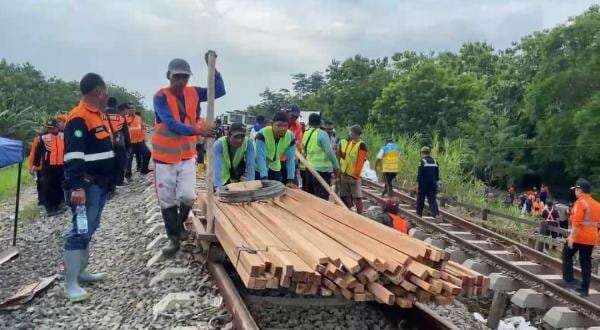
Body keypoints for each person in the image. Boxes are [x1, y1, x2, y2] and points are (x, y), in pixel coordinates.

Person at [153, 56, 224, 257]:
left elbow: (218, 90)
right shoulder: (160, 97)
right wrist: (199, 131)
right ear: (169, 76)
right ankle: (173, 239)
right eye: (177, 77)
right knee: (167, 201)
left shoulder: (193, 93)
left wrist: (213, 68)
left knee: (188, 195)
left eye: (184, 77)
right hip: (164, 158)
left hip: (186, 155)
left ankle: (178, 228)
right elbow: (171, 123)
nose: (181, 81)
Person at [62, 73, 115, 302]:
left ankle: (82, 272)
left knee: (90, 227)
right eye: (106, 91)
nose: (107, 96)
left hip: (98, 185)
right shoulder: (79, 118)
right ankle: (70, 283)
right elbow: (73, 156)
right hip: (85, 185)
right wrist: (77, 187)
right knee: (80, 229)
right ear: (98, 92)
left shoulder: (98, 116)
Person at [563, 179, 600, 297]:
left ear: (580, 190)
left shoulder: (580, 202)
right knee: (586, 262)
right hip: (591, 238)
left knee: (566, 254)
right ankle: (584, 290)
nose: (575, 192)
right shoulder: (597, 204)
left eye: (575, 190)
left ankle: (569, 281)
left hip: (579, 237)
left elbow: (576, 222)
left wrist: (571, 237)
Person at [300, 113, 339, 200]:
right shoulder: (322, 134)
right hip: (322, 171)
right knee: (322, 198)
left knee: (310, 197)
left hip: (309, 169)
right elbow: (330, 152)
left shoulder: (306, 133)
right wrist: (336, 167)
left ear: (309, 122)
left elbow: (303, 150)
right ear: (320, 123)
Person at [33, 119, 65, 215]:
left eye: (52, 128)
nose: (51, 130)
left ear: (57, 127)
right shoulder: (43, 138)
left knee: (59, 185)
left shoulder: (63, 136)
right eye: (49, 128)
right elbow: (38, 152)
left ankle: (58, 204)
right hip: (48, 167)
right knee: (48, 186)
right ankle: (50, 208)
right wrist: (36, 164)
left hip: (61, 165)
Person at [255, 111, 296, 185]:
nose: (282, 129)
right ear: (272, 124)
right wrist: (264, 177)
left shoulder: (290, 137)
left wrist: (290, 179)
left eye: (285, 125)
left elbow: (291, 159)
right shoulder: (262, 134)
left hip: (275, 165)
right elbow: (260, 157)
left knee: (278, 189)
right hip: (258, 167)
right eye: (279, 125)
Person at [213, 123, 255, 187]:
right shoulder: (219, 144)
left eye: (242, 136)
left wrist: (250, 184)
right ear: (229, 135)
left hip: (235, 175)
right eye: (236, 136)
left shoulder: (248, 143)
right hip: (222, 176)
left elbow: (251, 164)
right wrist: (217, 186)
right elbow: (216, 166)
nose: (239, 140)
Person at [339, 125, 367, 214]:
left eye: (350, 132)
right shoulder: (350, 142)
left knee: (357, 197)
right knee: (344, 194)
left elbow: (360, 162)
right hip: (345, 173)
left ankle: (360, 214)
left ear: (355, 133)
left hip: (354, 176)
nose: (349, 133)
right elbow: (345, 156)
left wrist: (356, 175)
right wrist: (339, 152)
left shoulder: (362, 145)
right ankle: (349, 211)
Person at [105, 102, 131, 187]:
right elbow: (126, 133)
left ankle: (109, 185)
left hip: (106, 143)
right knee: (120, 163)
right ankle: (119, 182)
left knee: (109, 164)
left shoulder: (101, 115)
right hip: (118, 143)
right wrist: (128, 146)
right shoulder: (120, 118)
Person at [126, 107, 151, 176]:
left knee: (147, 153)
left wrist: (143, 136)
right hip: (130, 142)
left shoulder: (138, 118)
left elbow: (142, 128)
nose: (132, 109)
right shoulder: (124, 118)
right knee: (129, 158)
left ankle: (144, 170)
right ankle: (128, 174)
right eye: (130, 108)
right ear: (127, 110)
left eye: (133, 108)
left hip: (140, 141)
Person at [415, 146, 440, 218]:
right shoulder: (435, 161)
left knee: (420, 199)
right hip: (433, 184)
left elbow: (419, 174)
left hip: (424, 184)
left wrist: (417, 184)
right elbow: (437, 175)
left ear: (422, 153)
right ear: (429, 153)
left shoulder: (422, 161)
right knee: (432, 200)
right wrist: (437, 184)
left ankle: (418, 214)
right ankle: (436, 215)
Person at [282, 104, 303, 183]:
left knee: (293, 185)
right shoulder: (278, 124)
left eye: (296, 117)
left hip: (290, 160)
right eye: (292, 116)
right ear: (286, 113)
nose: (294, 118)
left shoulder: (297, 127)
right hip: (276, 161)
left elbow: (297, 143)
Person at [28, 128, 47, 206]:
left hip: (44, 166)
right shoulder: (38, 139)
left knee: (42, 183)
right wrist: (32, 166)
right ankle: (42, 200)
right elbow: (33, 154)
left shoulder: (38, 139)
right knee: (41, 183)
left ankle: (42, 200)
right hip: (41, 166)